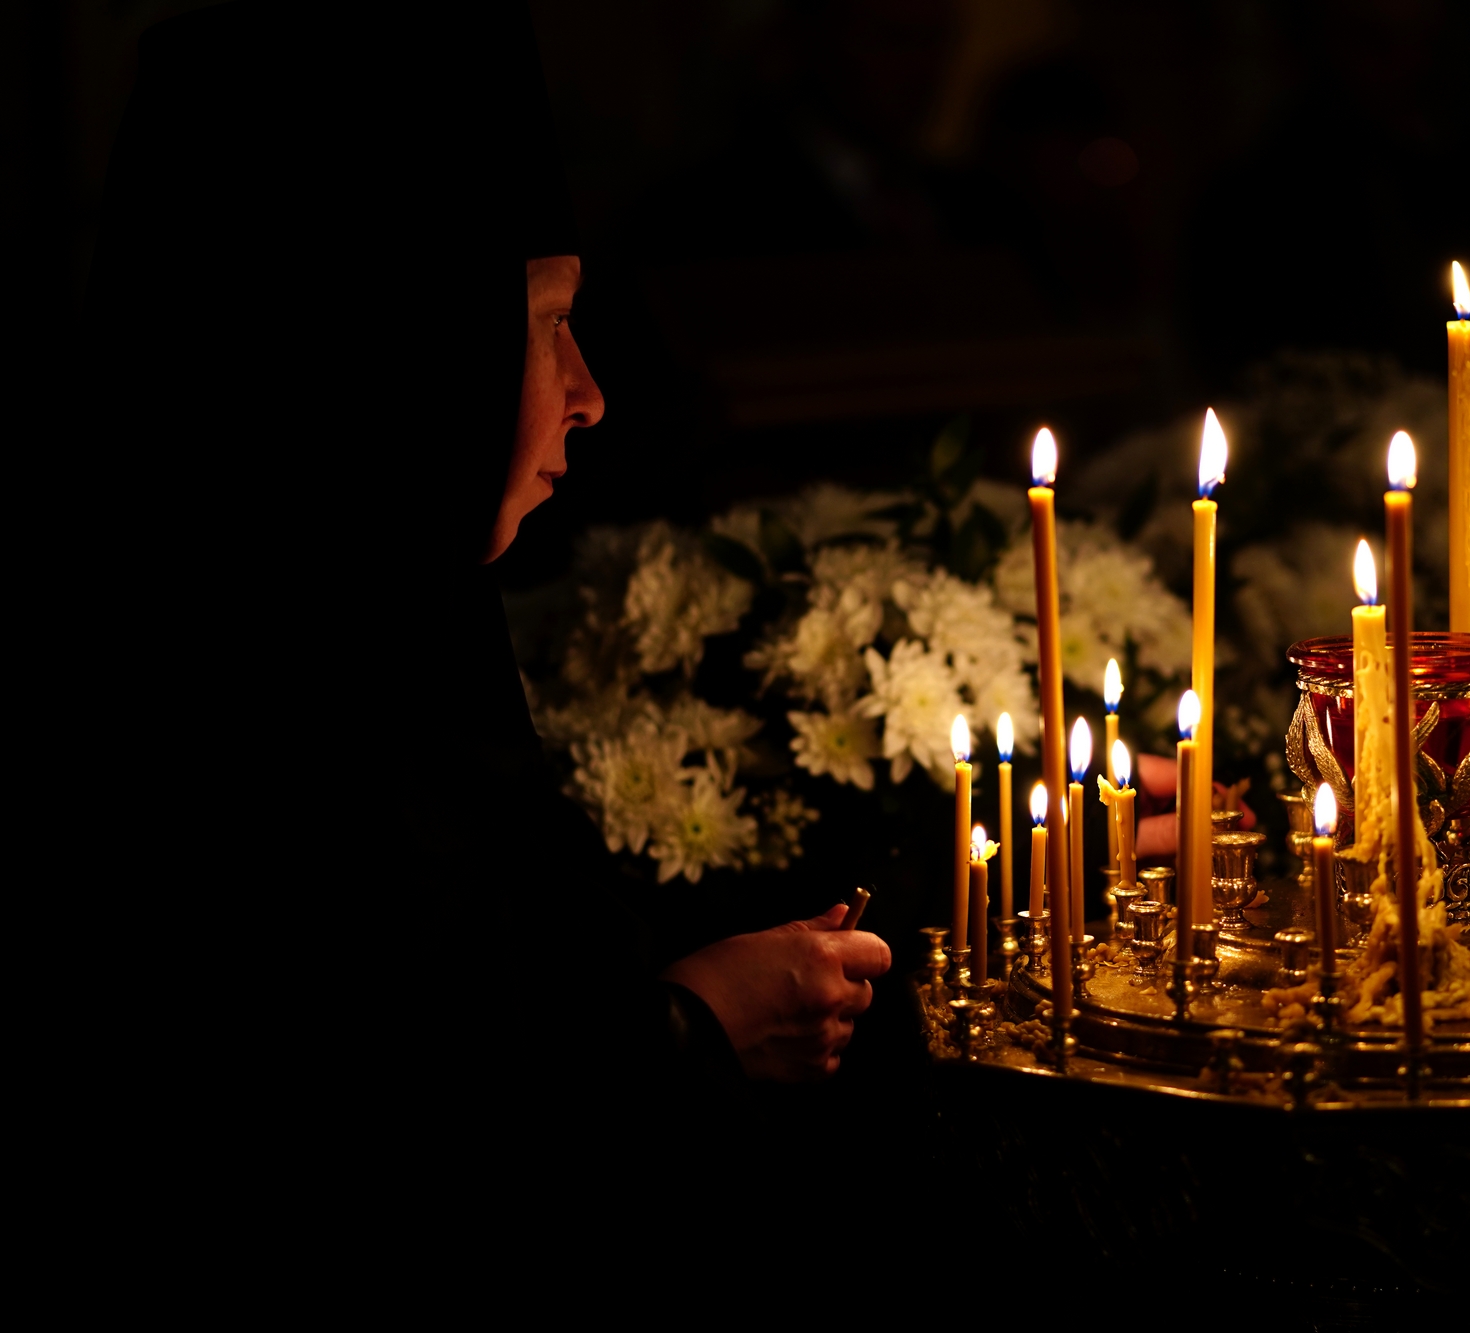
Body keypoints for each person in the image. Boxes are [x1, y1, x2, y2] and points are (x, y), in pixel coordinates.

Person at [77, 2, 889, 1154]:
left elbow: (523, 986)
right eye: (546, 319)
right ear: (402, 352)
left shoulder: (412, 632)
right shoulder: (235, 721)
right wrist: (696, 1027)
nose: (588, 390)